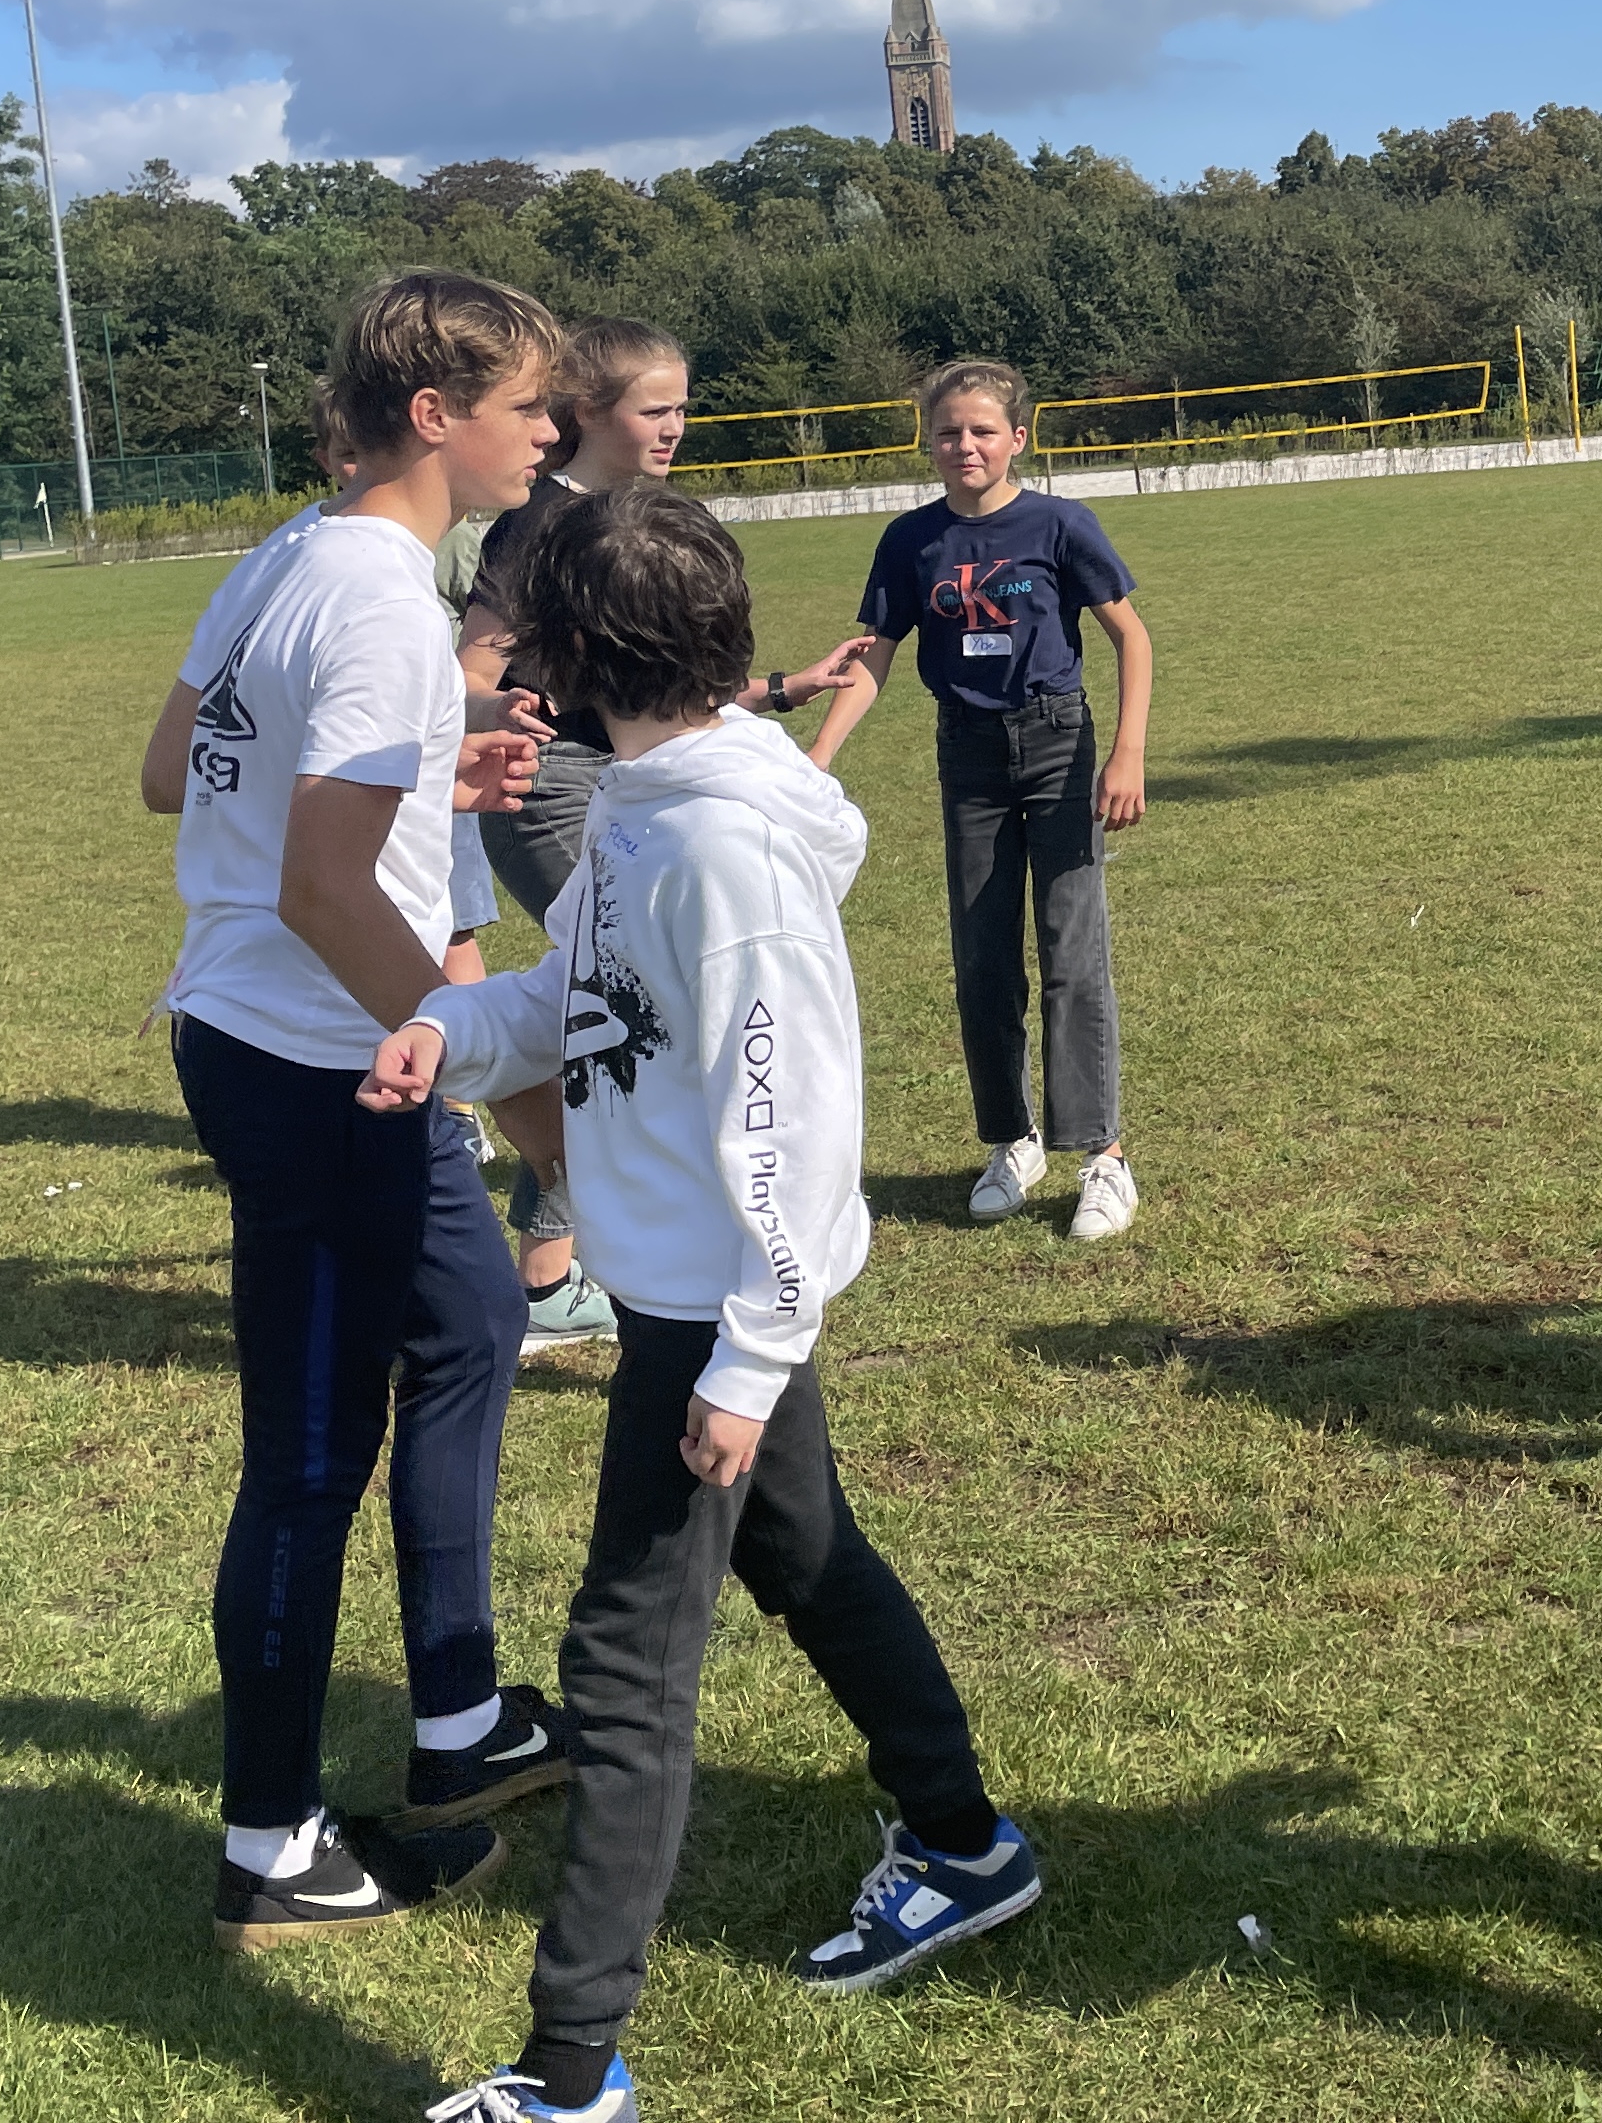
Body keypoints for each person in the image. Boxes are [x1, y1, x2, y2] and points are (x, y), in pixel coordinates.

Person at [383, 485, 1038, 2123]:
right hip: (693, 1292)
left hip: (709, 1312)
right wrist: (453, 1036)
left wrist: (750, 1355)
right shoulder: (644, 799)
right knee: (810, 1561)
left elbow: (800, 1127)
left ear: (576, 653)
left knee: (622, 1666)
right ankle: (964, 1840)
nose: (500, 656)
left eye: (517, 632)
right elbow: (579, 991)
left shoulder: (723, 844)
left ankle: (569, 2073)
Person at [136, 270, 579, 1949]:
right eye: (527, 404)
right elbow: (321, 884)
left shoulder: (289, 554)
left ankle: (457, 1720)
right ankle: (271, 1840)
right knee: (309, 1462)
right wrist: (490, 1056)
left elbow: (182, 771)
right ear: (435, 414)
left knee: (472, 1319)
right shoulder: (385, 598)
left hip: (282, 1036)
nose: (549, 431)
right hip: (312, 1063)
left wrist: (421, 767)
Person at [807, 358, 1155, 1239]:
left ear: (1017, 439)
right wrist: (817, 756)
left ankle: (1104, 1157)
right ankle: (1012, 1139)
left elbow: (1131, 637)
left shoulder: (1060, 524)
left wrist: (1127, 754)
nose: (965, 445)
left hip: (1058, 744)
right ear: (928, 442)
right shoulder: (911, 540)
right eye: (948, 432)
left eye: (983, 430)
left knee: (1073, 952)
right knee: (983, 961)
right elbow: (877, 654)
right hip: (967, 756)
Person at [459, 319, 693, 1347]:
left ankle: (571, 1263)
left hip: (626, 782)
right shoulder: (540, 525)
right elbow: (472, 672)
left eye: (682, 407)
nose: (674, 427)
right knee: (621, 1001)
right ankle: (554, 1280)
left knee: (631, 1001)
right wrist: (501, 714)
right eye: (655, 409)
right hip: (549, 789)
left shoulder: (649, 513)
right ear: (589, 411)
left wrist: (777, 691)